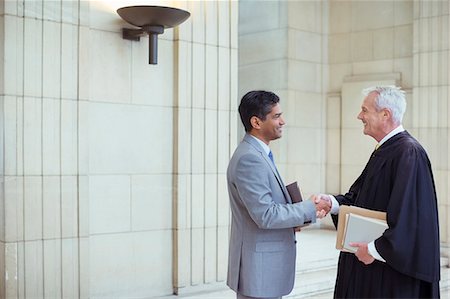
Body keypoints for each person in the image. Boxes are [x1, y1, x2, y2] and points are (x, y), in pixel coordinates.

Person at [315, 86, 440, 298]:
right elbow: (360, 198)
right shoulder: (386, 149)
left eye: (365, 110)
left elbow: (409, 218)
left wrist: (374, 250)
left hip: (389, 274)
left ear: (385, 114)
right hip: (372, 269)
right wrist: (332, 203)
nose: (359, 116)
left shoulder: (408, 152)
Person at [226, 90, 331, 299]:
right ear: (256, 122)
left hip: (263, 270)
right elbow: (265, 214)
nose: (283, 121)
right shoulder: (250, 159)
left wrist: (300, 217)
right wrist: (309, 206)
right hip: (260, 271)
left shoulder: (258, 153)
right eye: (276, 116)